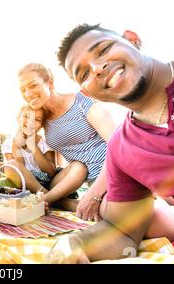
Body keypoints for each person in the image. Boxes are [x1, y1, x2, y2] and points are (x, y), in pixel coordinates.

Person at [45, 23, 174, 264]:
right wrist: (73, 243)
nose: (97, 68)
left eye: (103, 49)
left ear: (132, 39)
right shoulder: (124, 148)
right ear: (86, 92)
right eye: (84, 74)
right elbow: (122, 231)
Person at [17, 63, 117, 214]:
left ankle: (56, 202)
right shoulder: (41, 116)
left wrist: (94, 194)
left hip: (111, 173)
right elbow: (21, 137)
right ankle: (53, 199)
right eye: (23, 89)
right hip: (83, 175)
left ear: (50, 82)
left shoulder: (81, 103)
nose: (28, 93)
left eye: (33, 85)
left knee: (113, 213)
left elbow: (118, 146)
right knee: (78, 167)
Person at [1, 105, 58, 195]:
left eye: (37, 119)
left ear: (42, 124)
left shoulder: (45, 142)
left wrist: (34, 148)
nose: (31, 122)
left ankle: (48, 195)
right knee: (10, 165)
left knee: (74, 167)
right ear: (19, 117)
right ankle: (49, 196)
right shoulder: (9, 143)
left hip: (45, 182)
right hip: (23, 184)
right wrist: (16, 143)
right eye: (26, 116)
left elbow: (51, 172)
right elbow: (19, 168)